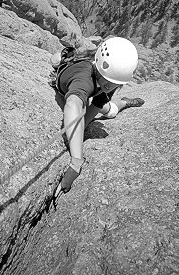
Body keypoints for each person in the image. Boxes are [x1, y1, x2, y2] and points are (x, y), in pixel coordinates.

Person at [53, 37, 144, 197]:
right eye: (107, 82)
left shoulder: (109, 76)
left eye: (113, 84)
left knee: (110, 111)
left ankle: (124, 103)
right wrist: (76, 161)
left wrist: (80, 128)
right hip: (75, 79)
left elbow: (95, 106)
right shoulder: (84, 79)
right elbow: (72, 104)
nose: (109, 86)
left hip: (92, 90)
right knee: (55, 60)